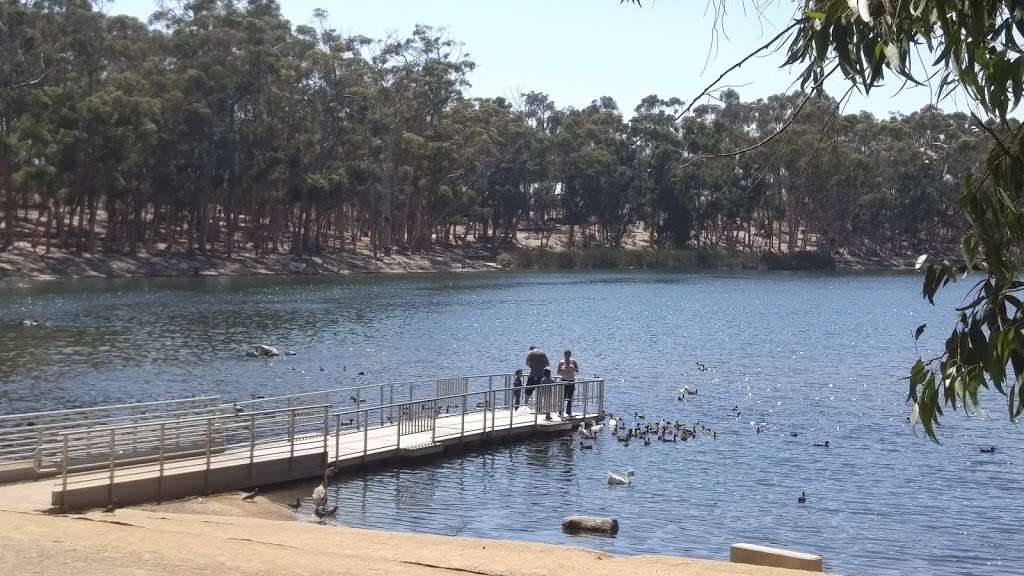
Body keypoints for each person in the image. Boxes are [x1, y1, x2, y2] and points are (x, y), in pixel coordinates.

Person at [557, 349, 579, 417]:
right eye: (565, 355)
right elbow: (557, 372)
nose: (567, 356)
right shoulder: (561, 362)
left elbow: (577, 370)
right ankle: (560, 411)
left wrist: (573, 369)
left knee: (570, 397)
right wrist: (561, 370)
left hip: (571, 381)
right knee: (562, 397)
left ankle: (568, 411)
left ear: (570, 355)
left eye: (568, 355)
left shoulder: (573, 362)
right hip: (563, 380)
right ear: (564, 355)